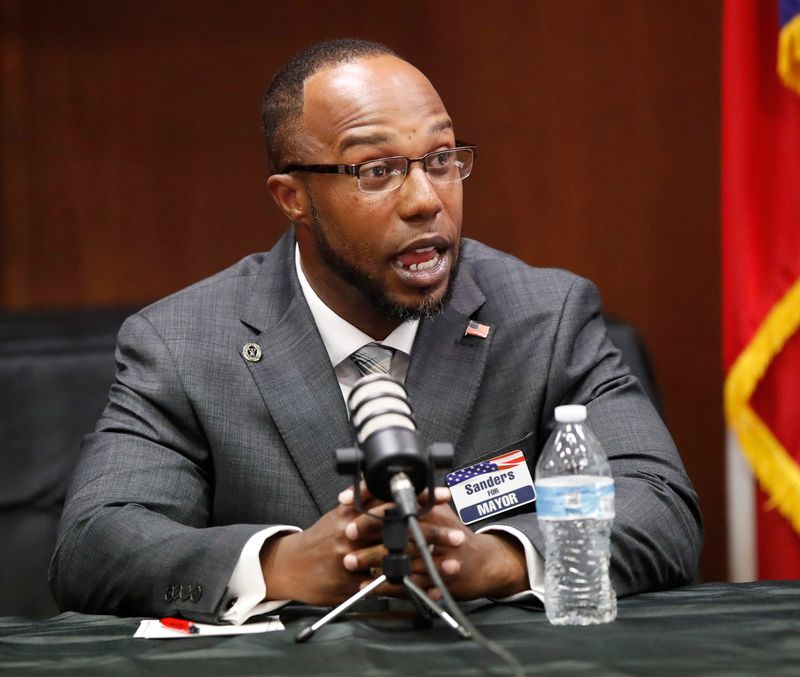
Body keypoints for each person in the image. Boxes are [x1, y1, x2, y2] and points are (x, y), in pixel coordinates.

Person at [50, 39, 702, 624]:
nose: (426, 199)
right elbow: (94, 544)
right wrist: (280, 564)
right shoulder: (184, 343)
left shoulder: (546, 314)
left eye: (442, 158)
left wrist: (499, 558)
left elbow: (663, 509)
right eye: (377, 171)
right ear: (292, 197)